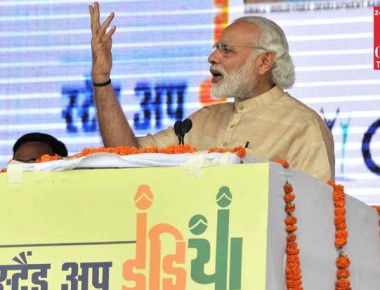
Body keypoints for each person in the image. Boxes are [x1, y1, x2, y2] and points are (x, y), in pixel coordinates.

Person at [88, 2, 335, 181]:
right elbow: (128, 154)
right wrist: (102, 79)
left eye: (227, 50)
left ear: (264, 62)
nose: (212, 57)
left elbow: (316, 210)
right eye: (216, 48)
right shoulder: (203, 119)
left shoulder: (303, 125)